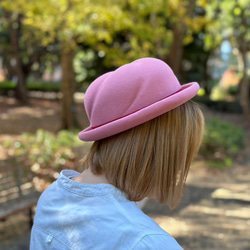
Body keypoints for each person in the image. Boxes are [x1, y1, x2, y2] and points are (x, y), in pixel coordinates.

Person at [30, 58, 204, 250]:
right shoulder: (149, 243)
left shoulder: (52, 199)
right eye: (182, 153)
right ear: (160, 149)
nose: (179, 166)